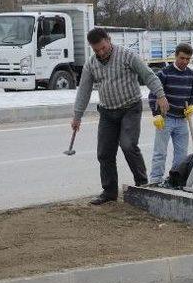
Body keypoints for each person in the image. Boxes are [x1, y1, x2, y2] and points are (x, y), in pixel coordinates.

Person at [72, 28, 169, 205]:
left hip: (130, 108)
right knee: (104, 153)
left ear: (109, 40)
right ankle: (109, 192)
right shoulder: (91, 64)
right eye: (96, 50)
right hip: (107, 113)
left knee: (128, 144)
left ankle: (142, 185)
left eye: (103, 47)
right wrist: (77, 116)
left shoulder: (127, 55)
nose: (101, 53)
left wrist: (160, 95)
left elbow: (148, 75)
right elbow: (83, 91)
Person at [148, 43, 193, 186]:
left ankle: (175, 180)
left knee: (181, 155)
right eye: (182, 58)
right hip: (165, 119)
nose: (185, 62)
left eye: (188, 59)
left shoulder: (190, 74)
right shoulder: (164, 73)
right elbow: (153, 94)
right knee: (160, 153)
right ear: (175, 56)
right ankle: (155, 181)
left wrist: (192, 106)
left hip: (182, 120)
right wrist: (156, 114)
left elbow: (192, 93)